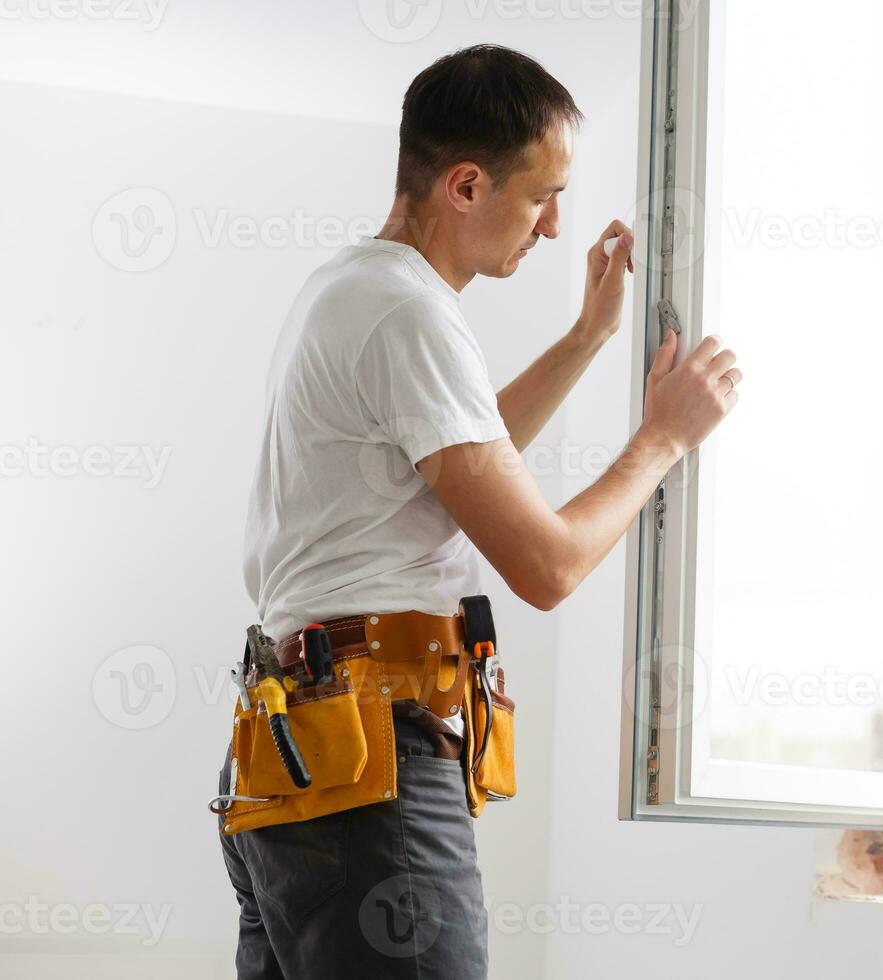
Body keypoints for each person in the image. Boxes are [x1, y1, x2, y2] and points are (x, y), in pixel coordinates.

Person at [221, 43, 739, 978]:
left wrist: (587, 339)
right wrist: (665, 438)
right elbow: (546, 567)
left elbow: (457, 458)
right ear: (466, 185)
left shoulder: (353, 288)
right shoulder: (405, 312)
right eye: (541, 196)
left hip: (302, 766)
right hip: (371, 769)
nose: (550, 228)